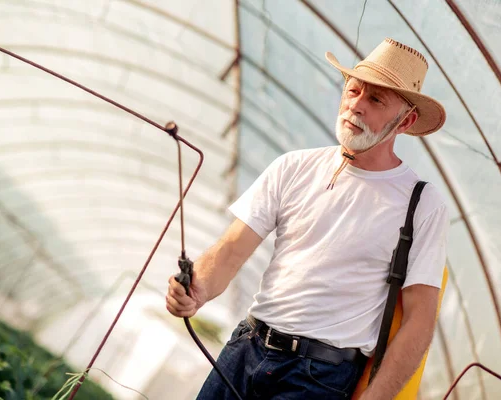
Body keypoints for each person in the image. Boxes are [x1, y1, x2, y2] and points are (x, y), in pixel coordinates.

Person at [166, 37, 449, 400]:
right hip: (245, 349)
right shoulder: (294, 166)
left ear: (406, 121)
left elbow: (419, 321)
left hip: (319, 379)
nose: (355, 106)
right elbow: (233, 249)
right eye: (353, 91)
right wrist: (196, 289)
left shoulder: (422, 204)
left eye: (375, 99)